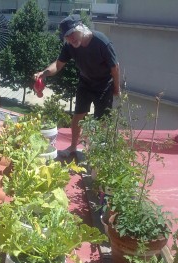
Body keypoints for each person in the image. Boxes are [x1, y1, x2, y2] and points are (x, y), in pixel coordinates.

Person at [34, 14, 120, 157]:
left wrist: (116, 88)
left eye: (72, 33)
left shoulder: (101, 41)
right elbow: (58, 65)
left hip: (104, 85)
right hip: (85, 83)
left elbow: (115, 67)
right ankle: (73, 147)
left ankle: (99, 153)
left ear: (81, 28)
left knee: (102, 120)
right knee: (78, 116)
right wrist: (44, 73)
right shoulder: (69, 46)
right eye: (67, 36)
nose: (71, 38)